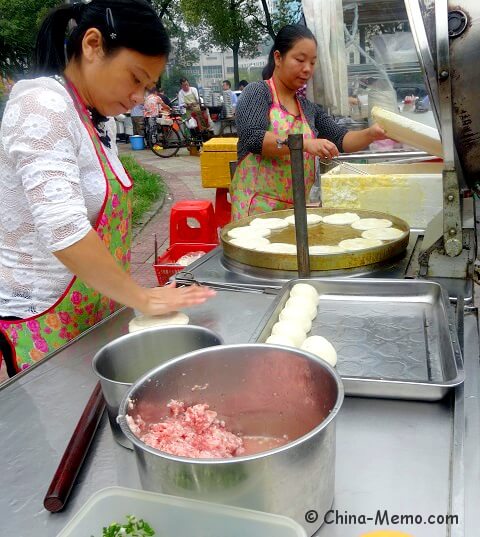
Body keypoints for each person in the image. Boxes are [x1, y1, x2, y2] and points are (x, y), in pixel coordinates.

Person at [0, 0, 215, 377]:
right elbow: (64, 229)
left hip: (95, 307)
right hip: (45, 316)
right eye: (134, 78)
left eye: (146, 86)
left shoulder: (97, 120)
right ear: (93, 45)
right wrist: (143, 296)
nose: (138, 97)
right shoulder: (42, 105)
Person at [231, 24, 388, 220]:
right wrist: (304, 144)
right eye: (300, 60)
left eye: (313, 63)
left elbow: (341, 139)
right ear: (278, 57)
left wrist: (371, 133)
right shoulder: (257, 93)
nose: (307, 69)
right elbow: (254, 138)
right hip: (255, 213)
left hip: (292, 215)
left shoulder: (308, 108)